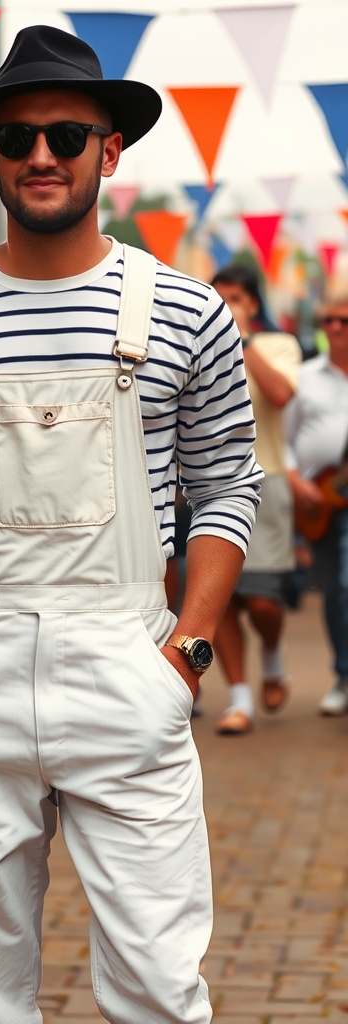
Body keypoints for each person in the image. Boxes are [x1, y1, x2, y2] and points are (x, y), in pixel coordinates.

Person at [0, 25, 262, 1024]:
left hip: (132, 659)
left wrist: (188, 653)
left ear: (110, 150)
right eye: (19, 135)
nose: (44, 154)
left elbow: (226, 487)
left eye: (69, 134)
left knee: (161, 991)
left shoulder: (187, 312)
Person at [210, 264, 301, 735]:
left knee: (263, 601)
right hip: (205, 486)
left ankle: (272, 654)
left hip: (267, 482)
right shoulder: (198, 344)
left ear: (252, 302)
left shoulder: (277, 344)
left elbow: (281, 394)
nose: (225, 306)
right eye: (218, 297)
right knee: (218, 598)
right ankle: (239, 700)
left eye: (235, 298)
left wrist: (241, 338)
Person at [286, 292, 348, 716]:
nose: (336, 329)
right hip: (318, 504)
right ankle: (343, 674)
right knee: (333, 593)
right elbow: (281, 438)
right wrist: (294, 480)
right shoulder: (304, 376)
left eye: (345, 321)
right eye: (330, 321)